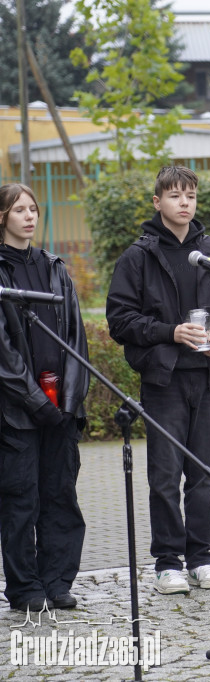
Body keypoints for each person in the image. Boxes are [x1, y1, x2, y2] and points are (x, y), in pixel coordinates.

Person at [106, 166, 210, 595]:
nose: (184, 203)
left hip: (208, 378)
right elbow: (120, 319)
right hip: (163, 380)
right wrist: (171, 332)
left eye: (191, 196)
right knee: (164, 476)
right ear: (157, 202)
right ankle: (168, 562)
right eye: (175, 196)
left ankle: (201, 558)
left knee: (203, 473)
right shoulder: (138, 257)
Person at [0, 183, 89, 612]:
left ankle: (58, 581)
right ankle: (25, 589)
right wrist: (36, 402)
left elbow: (75, 338)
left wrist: (68, 403)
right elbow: (3, 354)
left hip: (60, 410)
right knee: (21, 500)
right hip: (16, 413)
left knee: (61, 498)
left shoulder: (55, 268)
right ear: (3, 217)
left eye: (33, 209)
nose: (30, 216)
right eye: (19, 210)